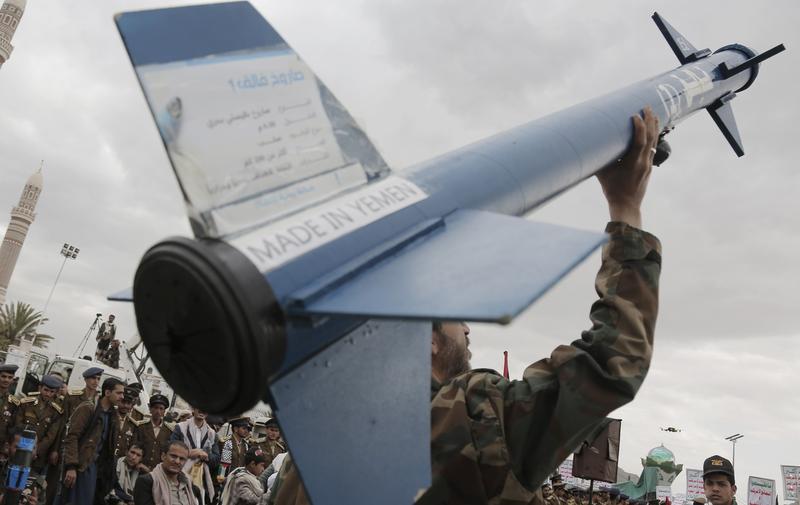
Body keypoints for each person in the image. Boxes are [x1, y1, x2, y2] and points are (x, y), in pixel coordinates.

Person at [269, 107, 663, 504]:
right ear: (426, 340)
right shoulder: (471, 414)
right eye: (456, 317)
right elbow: (613, 361)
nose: (469, 329)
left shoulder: (308, 458)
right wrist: (626, 208)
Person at [56, 377, 125, 505]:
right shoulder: (88, 408)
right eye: (119, 393)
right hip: (83, 466)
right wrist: (71, 466)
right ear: (108, 393)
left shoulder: (113, 415)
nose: (122, 397)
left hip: (100, 469)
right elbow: (71, 437)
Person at [14, 374, 64, 503]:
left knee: (29, 487)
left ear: (56, 392)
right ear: (40, 387)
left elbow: (51, 436)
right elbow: (18, 424)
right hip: (19, 451)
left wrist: (36, 450)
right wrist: (27, 447)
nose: (48, 394)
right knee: (13, 482)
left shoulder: (56, 411)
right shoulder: (26, 403)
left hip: (38, 457)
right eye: (46, 390)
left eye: (52, 392)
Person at [171, 407, 220, 504]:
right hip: (179, 475)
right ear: (193, 408)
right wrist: (189, 453)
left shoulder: (212, 433)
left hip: (200, 480)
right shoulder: (180, 427)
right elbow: (171, 449)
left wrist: (205, 455)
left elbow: (216, 459)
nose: (202, 410)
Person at [133, 440, 200, 505]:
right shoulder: (146, 482)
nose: (177, 461)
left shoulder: (189, 484)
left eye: (182, 459)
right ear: (163, 456)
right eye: (173, 456)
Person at [135, 393, 174, 472]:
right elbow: (135, 446)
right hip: (139, 469)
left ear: (164, 412)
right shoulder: (141, 427)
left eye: (161, 408)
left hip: (157, 472)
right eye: (155, 408)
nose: (158, 411)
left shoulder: (169, 431)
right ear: (150, 409)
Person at [112, 386, 140, 460]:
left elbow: (132, 446)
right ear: (118, 401)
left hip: (120, 461)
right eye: (123, 402)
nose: (125, 406)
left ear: (132, 405)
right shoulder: (110, 417)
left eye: (128, 403)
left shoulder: (133, 425)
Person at [0, 364, 21, 460]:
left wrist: (5, 449)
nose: (6, 380)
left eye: (10, 377)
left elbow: (12, 428)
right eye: (3, 376)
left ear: (13, 380)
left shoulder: (13, 403)